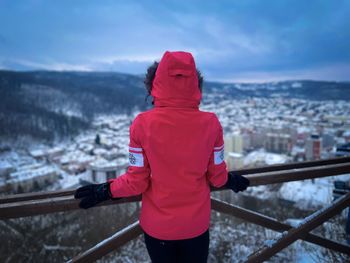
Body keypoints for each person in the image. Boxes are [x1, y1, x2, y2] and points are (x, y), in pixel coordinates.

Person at [74, 51, 250, 263]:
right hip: (196, 227)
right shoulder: (211, 124)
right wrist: (232, 180)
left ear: (154, 85)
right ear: (195, 85)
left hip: (158, 231)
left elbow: (136, 182)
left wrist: (106, 190)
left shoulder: (142, 124)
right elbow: (217, 177)